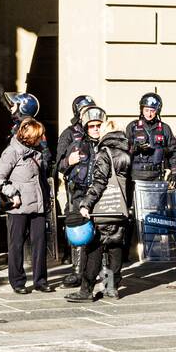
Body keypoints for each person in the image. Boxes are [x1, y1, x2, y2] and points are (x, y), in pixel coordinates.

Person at [67, 118, 132, 303]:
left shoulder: (104, 153)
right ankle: (112, 288)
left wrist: (86, 204)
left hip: (103, 209)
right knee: (115, 247)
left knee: (94, 249)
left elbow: (99, 182)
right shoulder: (127, 153)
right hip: (120, 209)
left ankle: (86, 290)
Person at [0, 118, 52, 294]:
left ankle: (40, 280)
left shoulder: (38, 152)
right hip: (18, 206)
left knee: (40, 243)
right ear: (29, 136)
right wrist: (13, 193)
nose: (42, 138)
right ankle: (18, 281)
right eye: (39, 135)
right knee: (16, 244)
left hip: (38, 205)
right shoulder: (11, 152)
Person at [56, 96, 98, 286]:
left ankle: (97, 269)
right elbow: (58, 165)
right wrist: (68, 162)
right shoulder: (68, 134)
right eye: (84, 111)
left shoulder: (98, 131)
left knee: (100, 230)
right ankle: (77, 271)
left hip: (97, 189)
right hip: (77, 190)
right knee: (78, 229)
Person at [126, 92, 176, 185]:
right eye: (146, 110)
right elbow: (124, 151)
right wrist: (136, 148)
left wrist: (175, 173)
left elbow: (173, 153)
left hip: (158, 176)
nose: (149, 114)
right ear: (141, 110)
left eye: (152, 111)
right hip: (136, 177)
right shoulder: (132, 127)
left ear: (158, 111)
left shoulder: (164, 128)